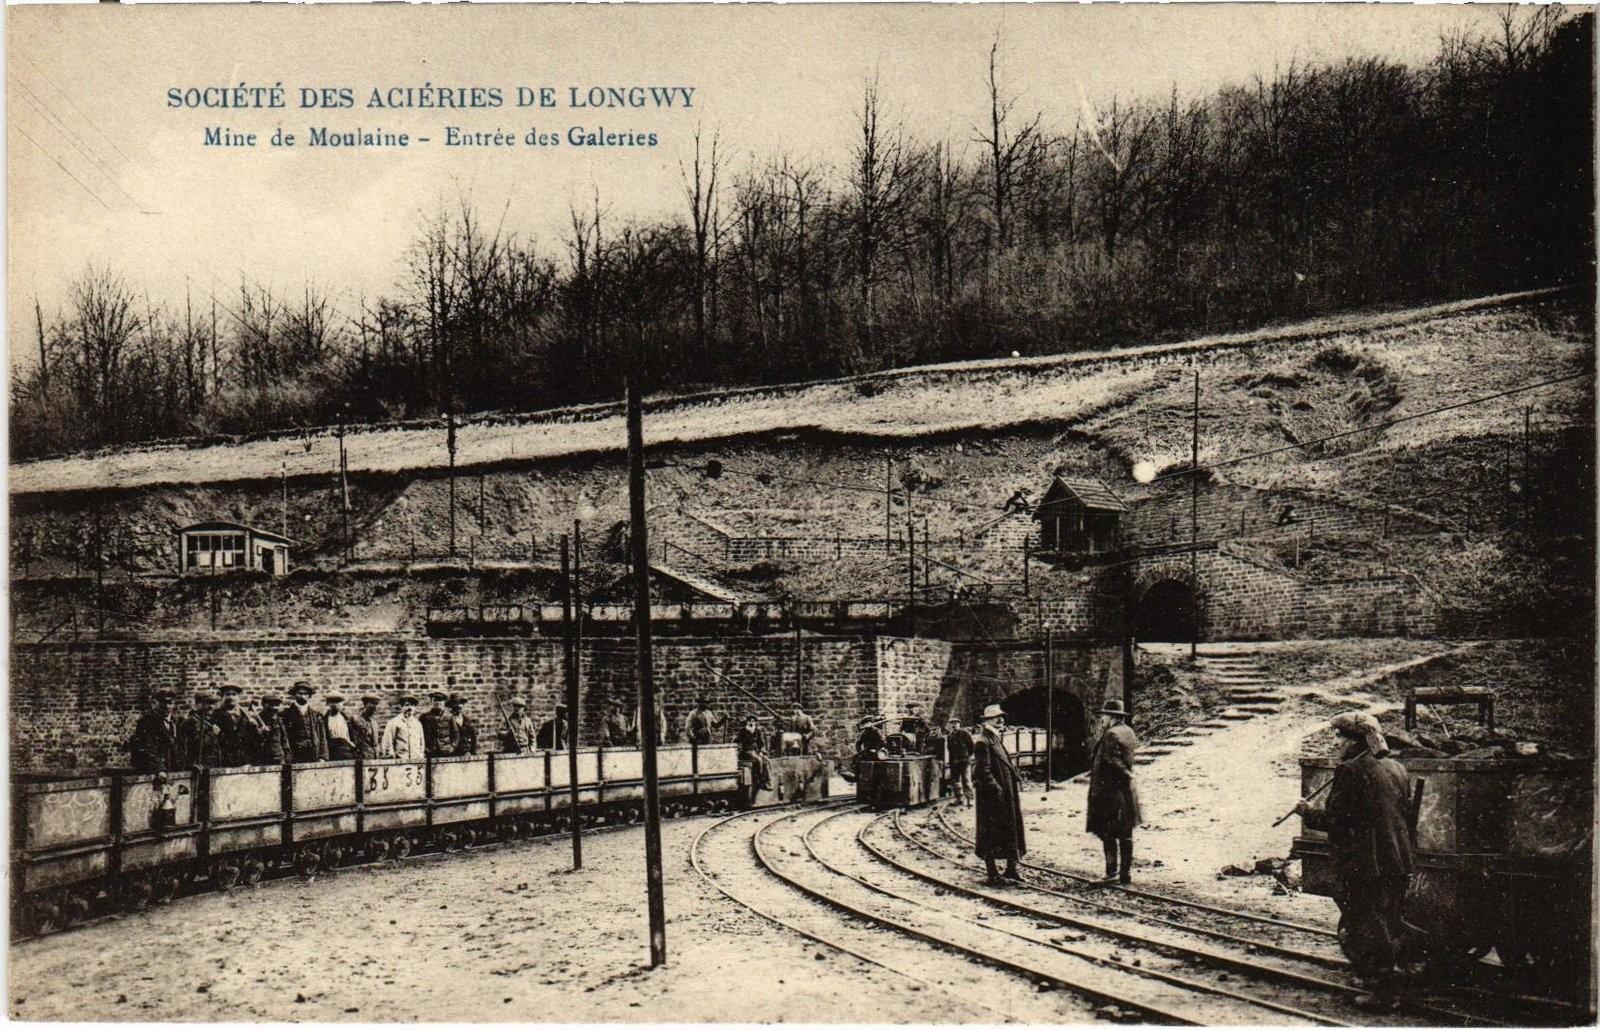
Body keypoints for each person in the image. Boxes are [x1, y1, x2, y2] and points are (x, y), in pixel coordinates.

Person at [1296, 712, 1417, 1012]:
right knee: (1388, 921)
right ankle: (1393, 982)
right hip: (1397, 860)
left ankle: (1384, 993)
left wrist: (1307, 811)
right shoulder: (1397, 768)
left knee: (1368, 923)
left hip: (1365, 864)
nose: (1335, 742)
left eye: (1339, 736)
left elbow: (1336, 820)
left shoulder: (1350, 770)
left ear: (1354, 740)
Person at [1086, 699, 1141, 885]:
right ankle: (1125, 874)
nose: (1102, 719)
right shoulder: (1128, 731)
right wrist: (1129, 776)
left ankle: (1111, 872)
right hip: (1126, 792)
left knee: (1108, 833)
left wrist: (1125, 774)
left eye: (1104, 716)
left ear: (1111, 716)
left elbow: (1113, 760)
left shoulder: (1110, 733)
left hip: (1110, 793)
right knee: (1126, 834)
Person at [972, 703, 1025, 885]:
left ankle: (1011, 870)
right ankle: (992, 874)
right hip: (993, 797)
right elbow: (982, 771)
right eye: (996, 717)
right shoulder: (983, 741)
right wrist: (997, 790)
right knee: (991, 834)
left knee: (1010, 830)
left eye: (1002, 717)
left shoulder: (994, 737)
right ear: (987, 720)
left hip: (1005, 794)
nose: (1001, 720)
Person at [126, 689, 180, 773]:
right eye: (163, 702)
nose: (166, 706)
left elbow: (180, 748)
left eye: (169, 703)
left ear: (173, 704)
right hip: (152, 770)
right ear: (157, 703)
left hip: (171, 770)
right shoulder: (147, 721)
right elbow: (146, 747)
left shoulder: (176, 723)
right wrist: (159, 769)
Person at [279, 682, 330, 763]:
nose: (302, 696)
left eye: (305, 694)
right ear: (294, 695)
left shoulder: (316, 715)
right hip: (293, 755)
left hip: (313, 754)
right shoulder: (285, 715)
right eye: (299, 693)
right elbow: (281, 738)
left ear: (309, 696)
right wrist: (284, 757)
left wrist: (323, 757)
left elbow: (322, 737)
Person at [211, 685, 255, 767]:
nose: (231, 697)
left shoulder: (246, 716)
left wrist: (255, 728)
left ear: (238, 697)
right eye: (227, 694)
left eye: (234, 694)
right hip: (223, 761)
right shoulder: (215, 715)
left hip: (243, 760)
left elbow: (252, 741)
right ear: (222, 697)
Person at [178, 692, 221, 768]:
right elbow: (197, 745)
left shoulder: (208, 721)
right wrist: (212, 733)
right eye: (207, 703)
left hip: (210, 767)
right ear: (197, 705)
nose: (211, 706)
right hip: (198, 767)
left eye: (213, 703)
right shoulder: (192, 721)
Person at [382, 694, 426, 760]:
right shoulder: (394, 722)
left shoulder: (417, 724)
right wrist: (392, 757)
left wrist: (420, 755)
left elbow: (421, 743)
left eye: (412, 705)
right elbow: (388, 742)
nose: (410, 708)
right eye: (407, 705)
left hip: (415, 760)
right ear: (401, 707)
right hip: (400, 760)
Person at [736, 715, 772, 791]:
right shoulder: (743, 731)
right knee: (759, 760)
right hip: (747, 751)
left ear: (755, 722)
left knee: (767, 761)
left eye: (753, 721)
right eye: (749, 721)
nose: (751, 723)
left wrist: (761, 751)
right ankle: (760, 780)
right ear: (747, 722)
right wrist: (739, 748)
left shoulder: (757, 731)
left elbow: (762, 743)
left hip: (756, 751)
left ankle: (767, 781)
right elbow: (736, 741)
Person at [945, 717, 974, 807]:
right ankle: (959, 798)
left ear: (959, 724)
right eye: (952, 723)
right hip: (954, 762)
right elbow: (950, 749)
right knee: (956, 781)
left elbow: (971, 747)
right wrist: (952, 761)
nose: (954, 725)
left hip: (964, 761)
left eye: (956, 723)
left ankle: (969, 799)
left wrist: (966, 757)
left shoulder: (965, 733)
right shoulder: (950, 736)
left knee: (966, 780)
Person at [420, 691, 457, 757]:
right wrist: (424, 748)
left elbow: (455, 734)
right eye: (435, 700)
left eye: (440, 700)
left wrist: (452, 747)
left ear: (444, 702)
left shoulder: (449, 716)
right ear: (431, 702)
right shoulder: (424, 717)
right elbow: (419, 734)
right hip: (430, 751)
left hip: (446, 751)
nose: (437, 702)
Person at [254, 696, 288, 763]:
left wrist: (287, 754)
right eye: (272, 705)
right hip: (264, 758)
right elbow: (253, 741)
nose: (274, 707)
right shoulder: (257, 720)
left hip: (279, 756)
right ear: (264, 705)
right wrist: (261, 731)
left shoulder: (279, 719)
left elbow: (284, 738)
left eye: (277, 705)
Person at [324, 694, 355, 760]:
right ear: (328, 703)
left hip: (347, 752)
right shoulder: (324, 720)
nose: (336, 704)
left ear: (342, 703)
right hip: (332, 752)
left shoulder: (346, 719)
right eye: (333, 702)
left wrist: (352, 745)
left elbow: (351, 737)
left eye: (338, 702)